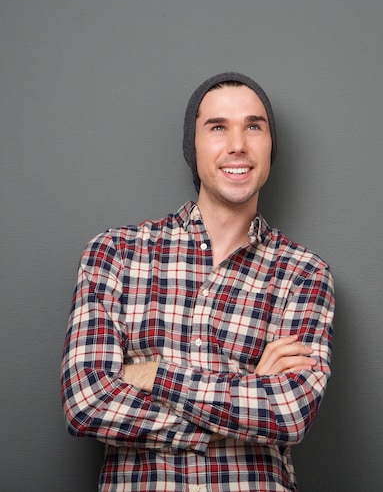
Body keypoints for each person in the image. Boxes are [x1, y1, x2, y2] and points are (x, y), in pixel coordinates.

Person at [61, 72, 335, 492]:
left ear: (269, 145)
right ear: (193, 146)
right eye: (218, 127)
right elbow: (87, 402)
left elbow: (287, 414)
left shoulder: (303, 273)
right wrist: (246, 392)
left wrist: (152, 375)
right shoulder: (114, 253)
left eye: (254, 126)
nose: (238, 144)